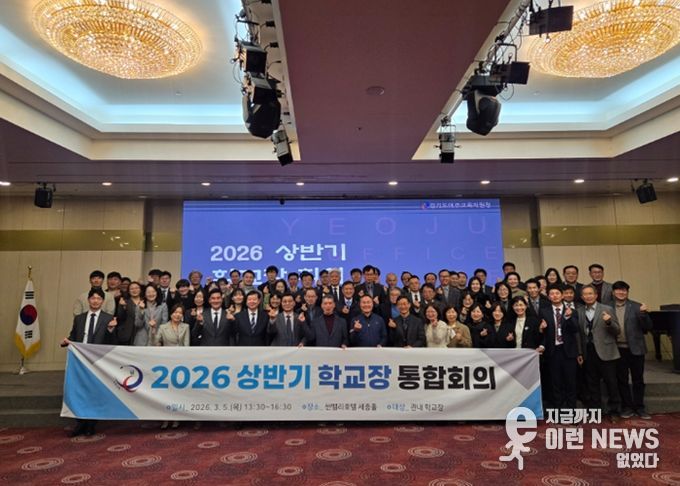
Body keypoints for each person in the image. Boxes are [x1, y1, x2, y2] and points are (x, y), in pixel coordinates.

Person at [61, 288, 118, 437]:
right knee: (80, 391)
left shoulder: (108, 318)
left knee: (94, 391)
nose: (95, 301)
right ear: (88, 300)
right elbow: (73, 336)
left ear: (102, 301)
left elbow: (112, 343)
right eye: (93, 298)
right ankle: (80, 423)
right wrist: (66, 341)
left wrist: (111, 330)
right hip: (80, 361)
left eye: (99, 299)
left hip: (98, 361)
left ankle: (91, 424)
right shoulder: (79, 318)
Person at [577, 284, 622, 419]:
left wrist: (609, 322)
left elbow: (617, 330)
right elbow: (579, 334)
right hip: (588, 352)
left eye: (590, 293)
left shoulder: (607, 309)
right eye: (585, 294)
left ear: (596, 295)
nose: (588, 296)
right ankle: (596, 411)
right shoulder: (579, 311)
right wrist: (580, 352)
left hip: (606, 351)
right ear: (582, 297)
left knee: (611, 383)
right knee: (592, 384)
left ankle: (614, 411)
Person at [612, 280, 653, 419]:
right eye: (618, 290)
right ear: (613, 292)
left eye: (624, 290)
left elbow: (648, 327)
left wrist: (644, 314)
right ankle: (627, 407)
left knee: (638, 379)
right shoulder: (607, 307)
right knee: (622, 380)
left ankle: (640, 407)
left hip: (636, 349)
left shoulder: (637, 306)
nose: (621, 292)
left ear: (627, 292)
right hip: (618, 349)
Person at [541, 284, 580, 410]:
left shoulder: (572, 311)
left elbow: (576, 329)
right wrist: (541, 329)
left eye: (557, 293)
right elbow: (542, 333)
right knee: (556, 383)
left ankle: (571, 410)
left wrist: (568, 317)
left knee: (571, 382)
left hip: (568, 351)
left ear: (562, 295)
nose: (555, 296)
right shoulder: (544, 311)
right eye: (552, 294)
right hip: (553, 351)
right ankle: (559, 409)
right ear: (548, 296)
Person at [151, 303, 189, 430]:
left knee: (178, 392)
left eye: (180, 313)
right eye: (175, 312)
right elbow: (155, 343)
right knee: (166, 392)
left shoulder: (186, 327)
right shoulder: (163, 327)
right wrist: (153, 330)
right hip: (166, 363)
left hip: (181, 363)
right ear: (171, 314)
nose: (177, 315)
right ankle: (165, 418)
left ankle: (177, 418)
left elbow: (187, 346)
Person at [115, 280, 144, 345]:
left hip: (141, 333)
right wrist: (122, 307)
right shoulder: (124, 301)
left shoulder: (144, 301)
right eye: (132, 289)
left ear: (140, 290)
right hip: (127, 333)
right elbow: (120, 317)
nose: (134, 290)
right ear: (128, 291)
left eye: (136, 288)